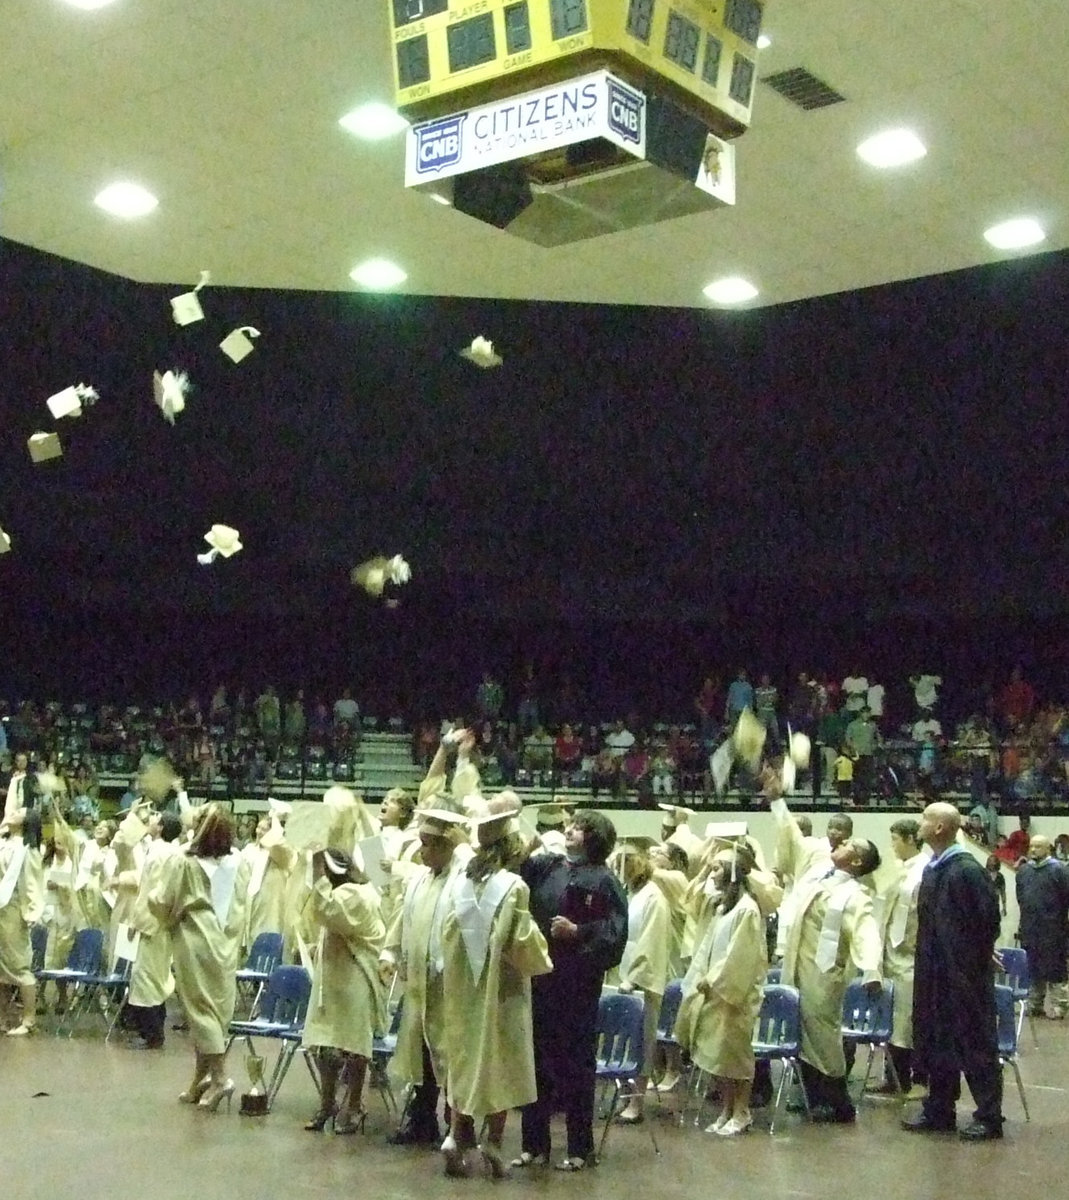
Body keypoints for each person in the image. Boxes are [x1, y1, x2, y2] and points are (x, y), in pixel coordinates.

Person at [438, 812, 552, 1177]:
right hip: (500, 994)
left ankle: (456, 1136)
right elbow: (522, 944)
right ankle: (494, 1142)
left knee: (464, 1061)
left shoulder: (458, 884)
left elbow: (448, 937)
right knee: (498, 1065)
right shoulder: (513, 887)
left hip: (461, 993)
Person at [516, 810, 628, 1172]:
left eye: (578, 828)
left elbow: (615, 937)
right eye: (570, 826)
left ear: (594, 838)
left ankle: (580, 1148)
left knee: (575, 1067)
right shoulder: (548, 868)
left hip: (577, 986)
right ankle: (534, 1145)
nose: (569, 831)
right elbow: (516, 866)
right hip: (540, 979)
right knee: (535, 1064)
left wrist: (579, 932)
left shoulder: (606, 882)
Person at [772, 791, 882, 1124]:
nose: (841, 844)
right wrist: (777, 800)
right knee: (799, 1029)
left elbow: (866, 931)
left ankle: (838, 1101)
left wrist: (872, 969)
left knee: (822, 1034)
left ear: (858, 861)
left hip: (824, 971)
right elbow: (793, 834)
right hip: (796, 963)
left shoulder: (855, 894)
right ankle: (810, 1094)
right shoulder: (818, 871)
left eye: (851, 846)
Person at [903, 802, 1004, 1141]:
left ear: (941, 828)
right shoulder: (934, 868)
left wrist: (978, 955)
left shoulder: (966, 870)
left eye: (926, 818)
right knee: (938, 1039)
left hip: (963, 974)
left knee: (974, 1041)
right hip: (935, 971)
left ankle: (989, 1117)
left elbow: (988, 918)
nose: (921, 823)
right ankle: (940, 1108)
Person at [149, 804, 250, 1113]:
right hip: (224, 940)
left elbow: (164, 900)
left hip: (194, 935)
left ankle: (220, 1077)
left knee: (199, 1009)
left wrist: (153, 899)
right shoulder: (240, 863)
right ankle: (200, 1078)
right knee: (215, 1010)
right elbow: (242, 903)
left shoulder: (184, 863)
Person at [380, 806, 471, 1147]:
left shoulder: (463, 881)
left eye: (429, 844)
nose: (422, 851)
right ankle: (421, 1122)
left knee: (450, 1057)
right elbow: (401, 918)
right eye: (421, 843)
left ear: (448, 845)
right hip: (418, 983)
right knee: (418, 1054)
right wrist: (390, 952)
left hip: (449, 987)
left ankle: (457, 1128)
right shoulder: (418, 878)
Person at [675, 842, 768, 1136]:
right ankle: (726, 1109)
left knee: (735, 1056)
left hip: (734, 994)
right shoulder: (723, 908)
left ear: (732, 873)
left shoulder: (748, 910)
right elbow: (707, 947)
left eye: (716, 867)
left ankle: (742, 1111)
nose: (711, 873)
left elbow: (741, 955)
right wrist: (699, 977)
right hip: (714, 992)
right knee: (719, 1057)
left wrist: (715, 979)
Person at [300, 847, 385, 1134]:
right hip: (333, 976)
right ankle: (328, 1103)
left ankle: (354, 1105)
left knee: (352, 1045)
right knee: (324, 1042)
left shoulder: (356, 894)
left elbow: (329, 912)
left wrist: (317, 875)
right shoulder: (343, 892)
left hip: (355, 976)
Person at [613, 842, 671, 1125]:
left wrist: (634, 979)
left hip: (640, 983)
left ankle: (636, 1102)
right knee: (621, 1041)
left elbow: (651, 942)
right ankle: (622, 1096)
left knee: (642, 1040)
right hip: (620, 973)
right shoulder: (628, 893)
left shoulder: (653, 898)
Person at [123, 809, 184, 1050]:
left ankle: (152, 1034)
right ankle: (153, 1031)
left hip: (153, 922)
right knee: (155, 977)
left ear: (160, 828)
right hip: (162, 922)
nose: (150, 821)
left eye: (154, 820)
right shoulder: (169, 851)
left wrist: (136, 922)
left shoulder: (160, 853)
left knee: (147, 978)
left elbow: (151, 891)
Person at [877, 819, 928, 1097]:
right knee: (892, 1019)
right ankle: (893, 1076)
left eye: (896, 838)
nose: (892, 844)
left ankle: (919, 1079)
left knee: (912, 1020)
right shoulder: (895, 869)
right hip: (891, 953)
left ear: (910, 839)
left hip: (913, 954)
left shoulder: (926, 869)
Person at [0, 808, 44, 1036]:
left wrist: (32, 913)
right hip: (1, 908)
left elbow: (33, 882)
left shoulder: (28, 849)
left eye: (19, 812)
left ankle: (29, 1019)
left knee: (18, 965)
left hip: (15, 909)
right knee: (1, 966)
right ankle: (4, 1018)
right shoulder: (5, 842)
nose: (13, 812)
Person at [1015, 834, 1069, 1019]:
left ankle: (1058, 1005)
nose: (1033, 850)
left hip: (1054, 929)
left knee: (1055, 969)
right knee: (1033, 967)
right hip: (1031, 928)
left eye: (1038, 846)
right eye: (1031, 846)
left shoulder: (1059, 871)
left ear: (1048, 849)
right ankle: (1034, 1004)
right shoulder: (1023, 872)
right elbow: (1021, 898)